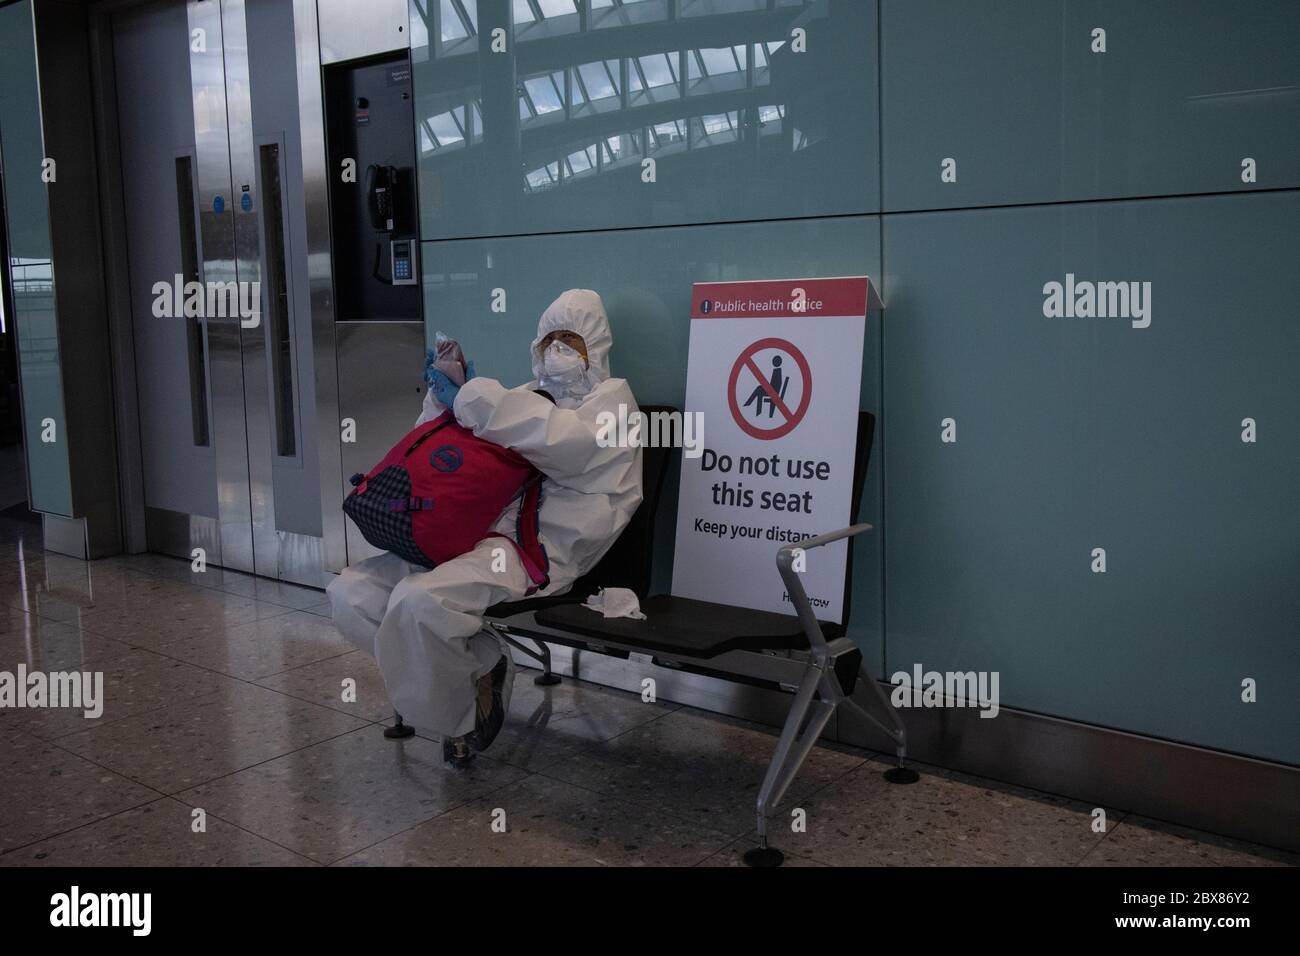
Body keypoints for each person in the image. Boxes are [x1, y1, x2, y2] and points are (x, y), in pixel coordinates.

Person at [328, 289, 643, 765]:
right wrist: (442, 401)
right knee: (350, 593)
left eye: (570, 341)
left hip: (536, 552)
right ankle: (482, 663)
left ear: (595, 347)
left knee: (420, 600)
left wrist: (473, 398)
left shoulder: (614, 406)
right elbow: (449, 452)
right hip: (473, 536)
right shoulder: (521, 399)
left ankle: (463, 721)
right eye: (549, 340)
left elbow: (564, 443)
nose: (556, 351)